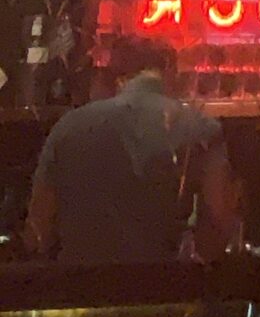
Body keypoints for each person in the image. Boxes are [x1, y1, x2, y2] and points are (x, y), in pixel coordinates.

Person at [25, 35, 238, 268]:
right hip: (166, 283)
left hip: (80, 284)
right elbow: (216, 229)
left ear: (114, 76)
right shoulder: (201, 128)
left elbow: (38, 230)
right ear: (170, 71)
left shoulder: (67, 127)